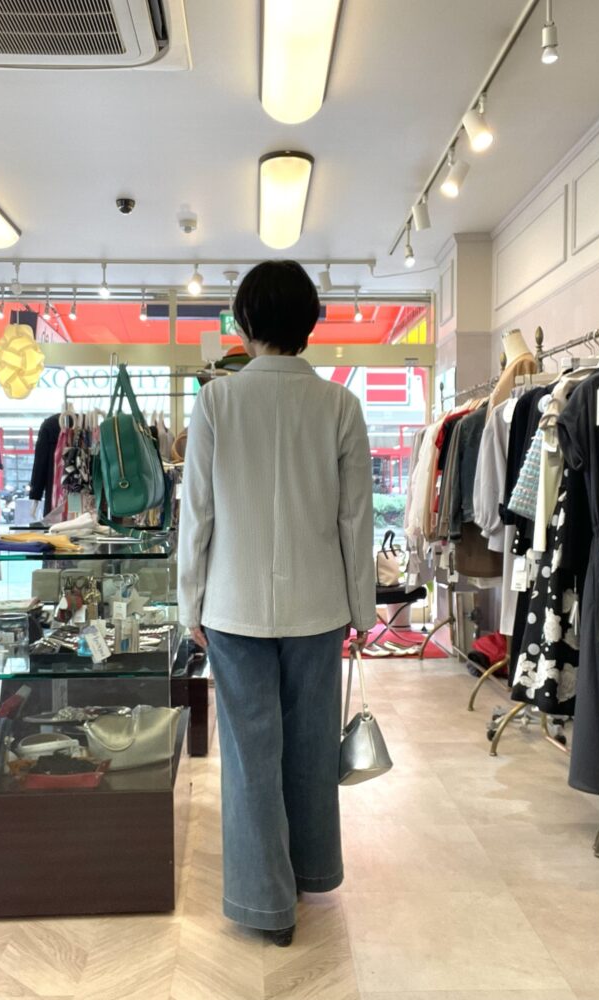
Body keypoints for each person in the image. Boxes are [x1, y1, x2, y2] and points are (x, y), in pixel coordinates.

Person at [177, 260, 376, 947]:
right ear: (309, 324)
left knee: (249, 755)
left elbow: (197, 515)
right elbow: (356, 521)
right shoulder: (340, 406)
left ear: (244, 323)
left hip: (232, 606)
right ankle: (311, 871)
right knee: (312, 746)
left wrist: (189, 603)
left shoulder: (216, 403)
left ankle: (265, 903)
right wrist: (363, 610)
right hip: (318, 606)